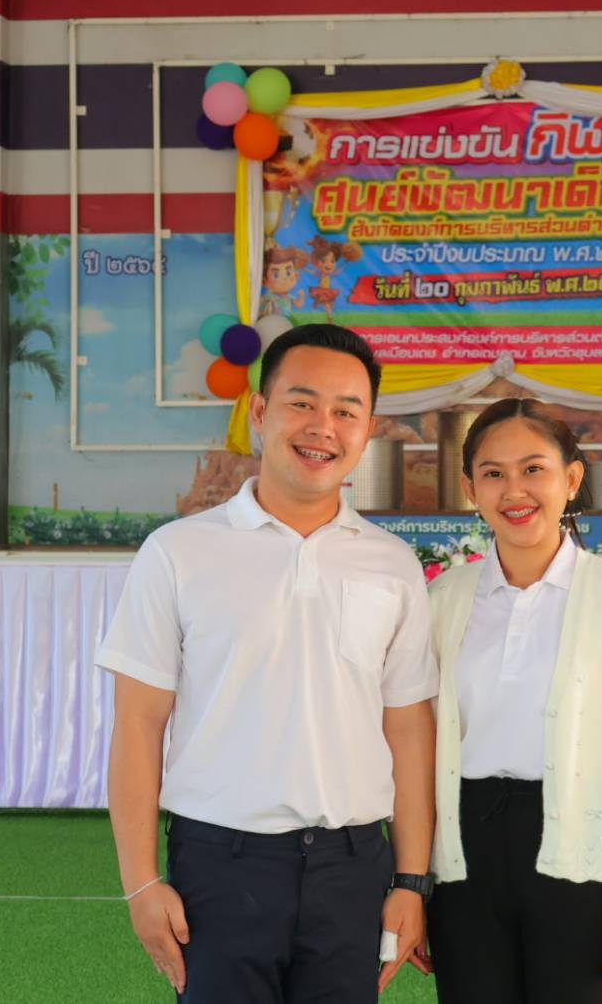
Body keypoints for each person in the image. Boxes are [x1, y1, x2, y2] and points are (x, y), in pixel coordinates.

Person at [97, 323, 438, 1003]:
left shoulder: (392, 563)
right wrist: (140, 881)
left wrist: (410, 881)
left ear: (368, 429)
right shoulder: (178, 553)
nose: (322, 427)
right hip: (220, 867)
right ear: (259, 411)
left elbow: (407, 730)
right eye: (301, 402)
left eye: (346, 411)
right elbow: (138, 724)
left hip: (351, 869)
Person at [424, 398, 602, 1004]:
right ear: (471, 489)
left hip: (582, 860)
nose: (514, 490)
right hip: (463, 862)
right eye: (493, 473)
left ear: (571, 478)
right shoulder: (443, 599)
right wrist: (413, 882)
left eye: (533, 469)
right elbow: (417, 748)